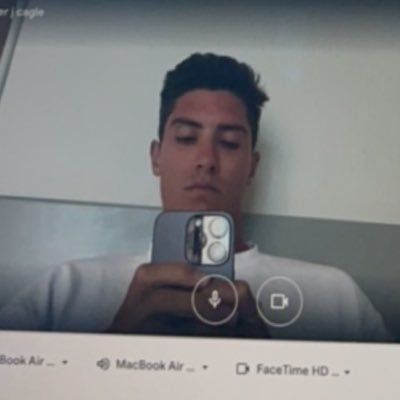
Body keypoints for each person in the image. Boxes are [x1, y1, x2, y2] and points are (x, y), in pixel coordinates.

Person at [0, 53, 390, 341]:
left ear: (252, 167)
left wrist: (270, 366)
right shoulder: (65, 290)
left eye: (229, 142)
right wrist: (112, 348)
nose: (206, 159)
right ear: (156, 157)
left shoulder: (334, 297)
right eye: (186, 138)